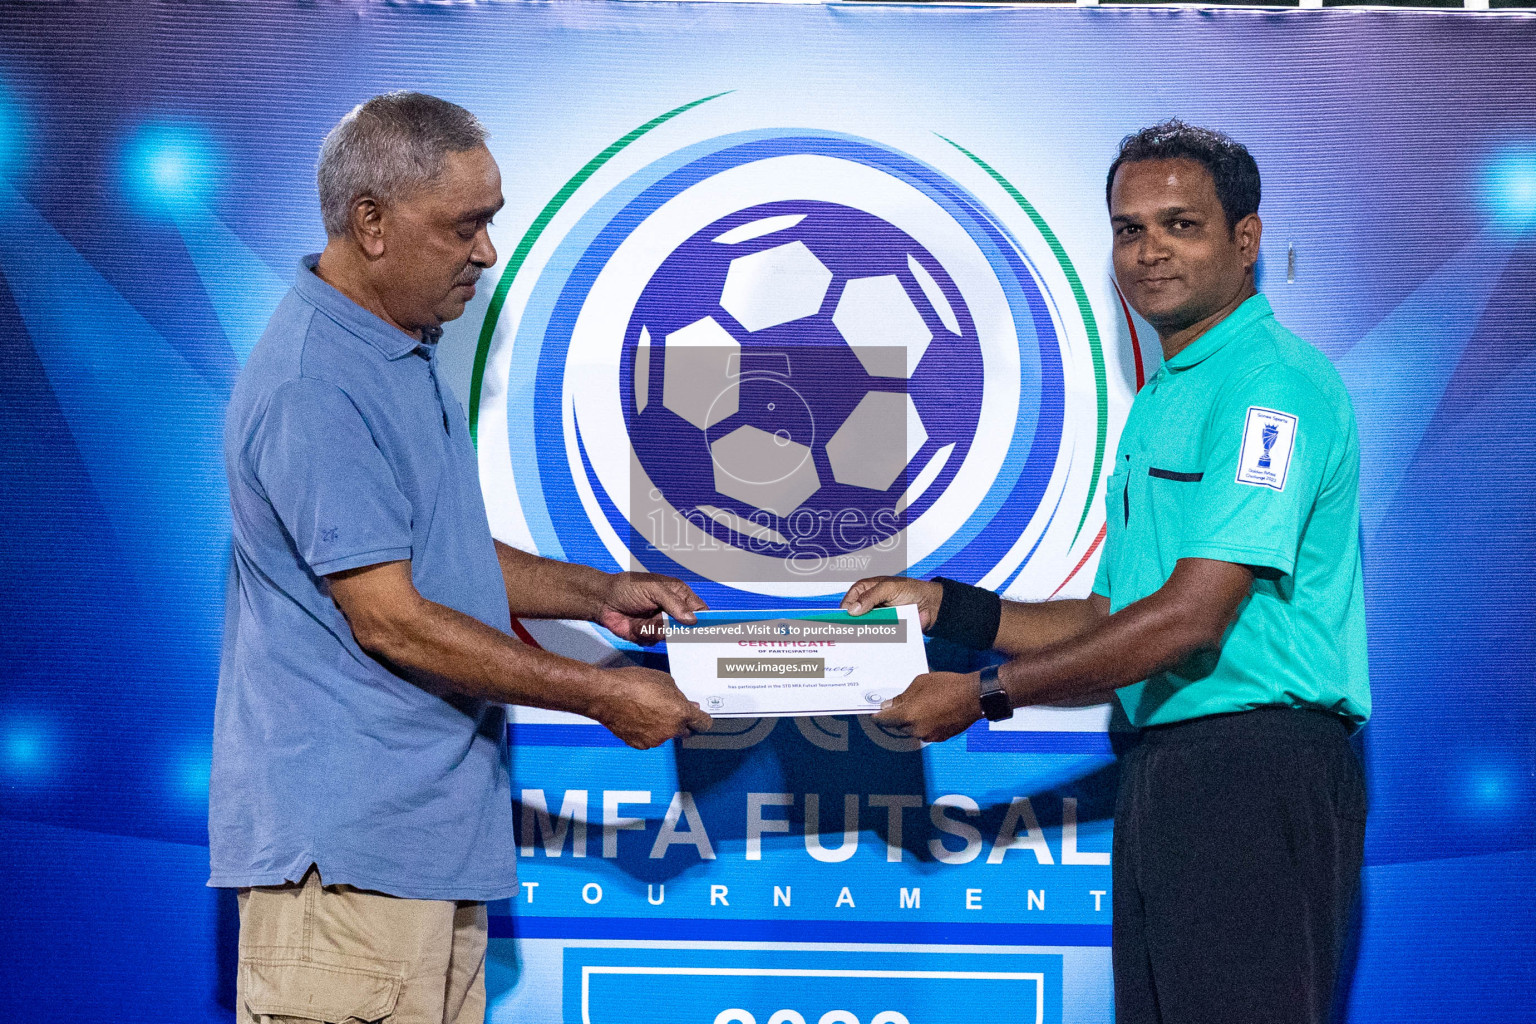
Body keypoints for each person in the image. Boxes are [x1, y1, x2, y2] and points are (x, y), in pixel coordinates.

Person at [843, 120, 1368, 1024]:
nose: (1149, 251)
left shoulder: (1267, 388)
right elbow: (1117, 613)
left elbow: (1189, 620)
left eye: (1181, 225)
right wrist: (945, 606)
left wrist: (983, 694)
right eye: (1130, 229)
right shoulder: (1170, 391)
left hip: (1255, 769)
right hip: (1172, 766)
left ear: (1247, 240)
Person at [210, 92, 713, 1024]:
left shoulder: (395, 350)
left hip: (419, 849)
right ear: (371, 223)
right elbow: (391, 615)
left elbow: (427, 549)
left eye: (490, 223)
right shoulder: (317, 379)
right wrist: (602, 693)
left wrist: (593, 591)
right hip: (349, 872)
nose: (487, 252)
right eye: (466, 226)